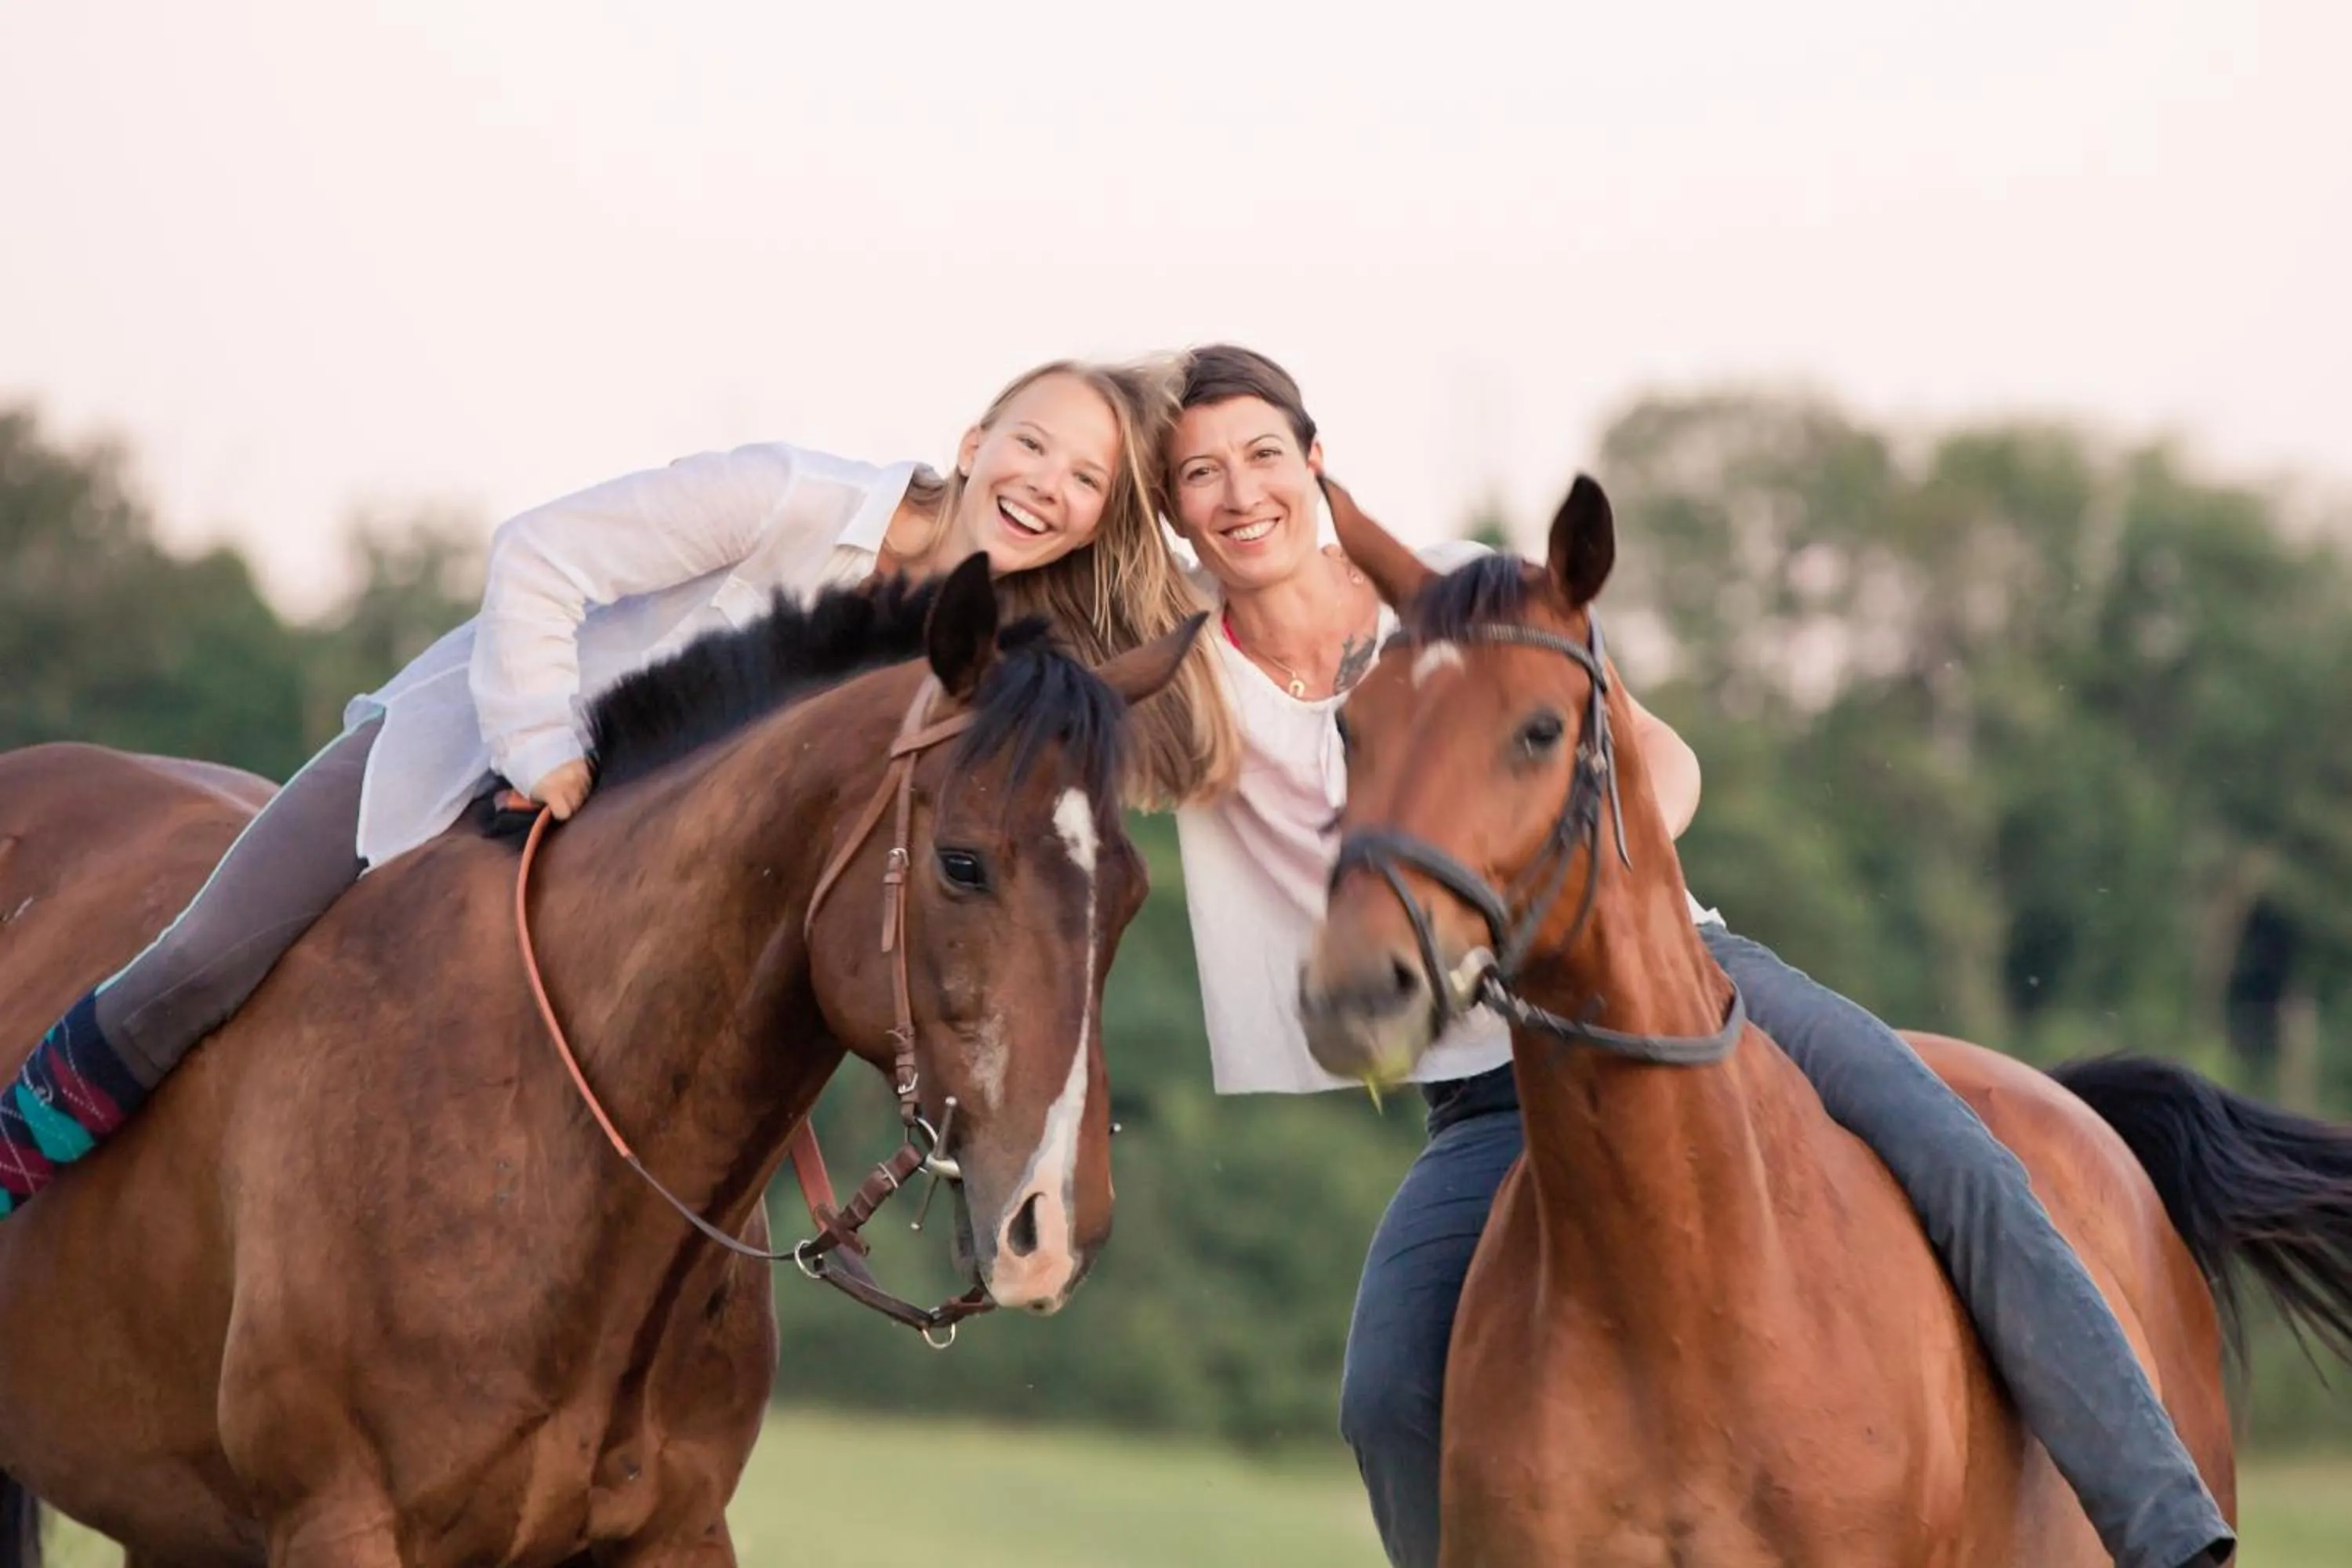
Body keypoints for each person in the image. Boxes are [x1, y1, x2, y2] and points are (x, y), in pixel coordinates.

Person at [1157, 343, 2234, 1568]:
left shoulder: (1470, 592)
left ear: (1315, 465)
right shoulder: (1188, 672)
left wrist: (1604, 881)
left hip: (1698, 983)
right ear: (1176, 510)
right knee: (1386, 1388)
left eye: (1260, 455)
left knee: (1968, 1161)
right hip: (1484, 1086)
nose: (1239, 492)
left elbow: (1660, 758)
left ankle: (2164, 1529)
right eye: (1199, 472)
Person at [0, 355, 1240, 1217]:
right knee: (206, 956)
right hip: (462, 774)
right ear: (975, 444)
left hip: (633, 927)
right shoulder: (788, 497)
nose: (1046, 484)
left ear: (1096, 521)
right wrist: (542, 740)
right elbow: (538, 555)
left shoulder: (972, 661)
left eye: (1087, 481)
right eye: (1033, 443)